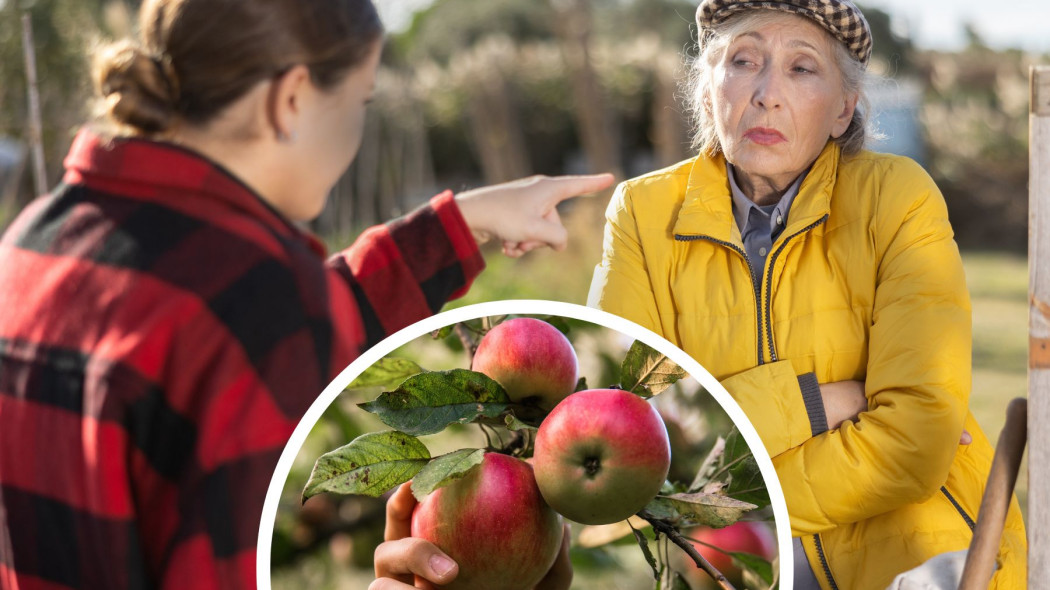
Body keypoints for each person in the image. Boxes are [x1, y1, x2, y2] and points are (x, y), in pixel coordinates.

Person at [0, 1, 612, 589]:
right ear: (291, 99)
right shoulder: (264, 301)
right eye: (359, 103)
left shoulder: (35, 239)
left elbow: (251, 315)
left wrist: (468, 218)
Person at [587, 0, 1026, 588]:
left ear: (844, 109)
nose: (767, 92)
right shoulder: (642, 213)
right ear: (710, 87)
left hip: (913, 549)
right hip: (734, 564)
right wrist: (822, 403)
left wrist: (716, 495)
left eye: (802, 68)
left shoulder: (897, 199)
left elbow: (916, 441)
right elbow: (623, 432)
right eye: (744, 60)